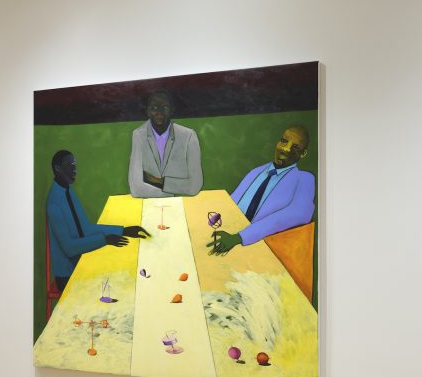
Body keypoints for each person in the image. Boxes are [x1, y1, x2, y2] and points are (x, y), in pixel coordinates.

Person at [47, 150, 150, 291]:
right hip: (68, 275)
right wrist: (105, 240)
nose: (75, 169)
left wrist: (123, 230)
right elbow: (70, 248)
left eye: (75, 165)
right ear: (58, 168)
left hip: (82, 262)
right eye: (70, 165)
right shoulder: (54, 204)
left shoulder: (68, 191)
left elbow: (86, 228)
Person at [208, 125, 315, 255]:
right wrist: (211, 222)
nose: (286, 149)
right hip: (230, 240)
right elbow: (232, 202)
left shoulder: (304, 179)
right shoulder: (258, 171)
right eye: (284, 141)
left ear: (303, 153)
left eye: (295, 147)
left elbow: (297, 214)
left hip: (261, 249)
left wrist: (239, 237)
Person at [128, 91, 203, 198]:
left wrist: (155, 181)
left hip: (182, 205)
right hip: (150, 206)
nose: (159, 112)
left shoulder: (188, 136)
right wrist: (173, 191)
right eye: (154, 108)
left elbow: (194, 186)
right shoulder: (138, 136)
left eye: (165, 107)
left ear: (172, 111)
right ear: (147, 111)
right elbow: (136, 188)